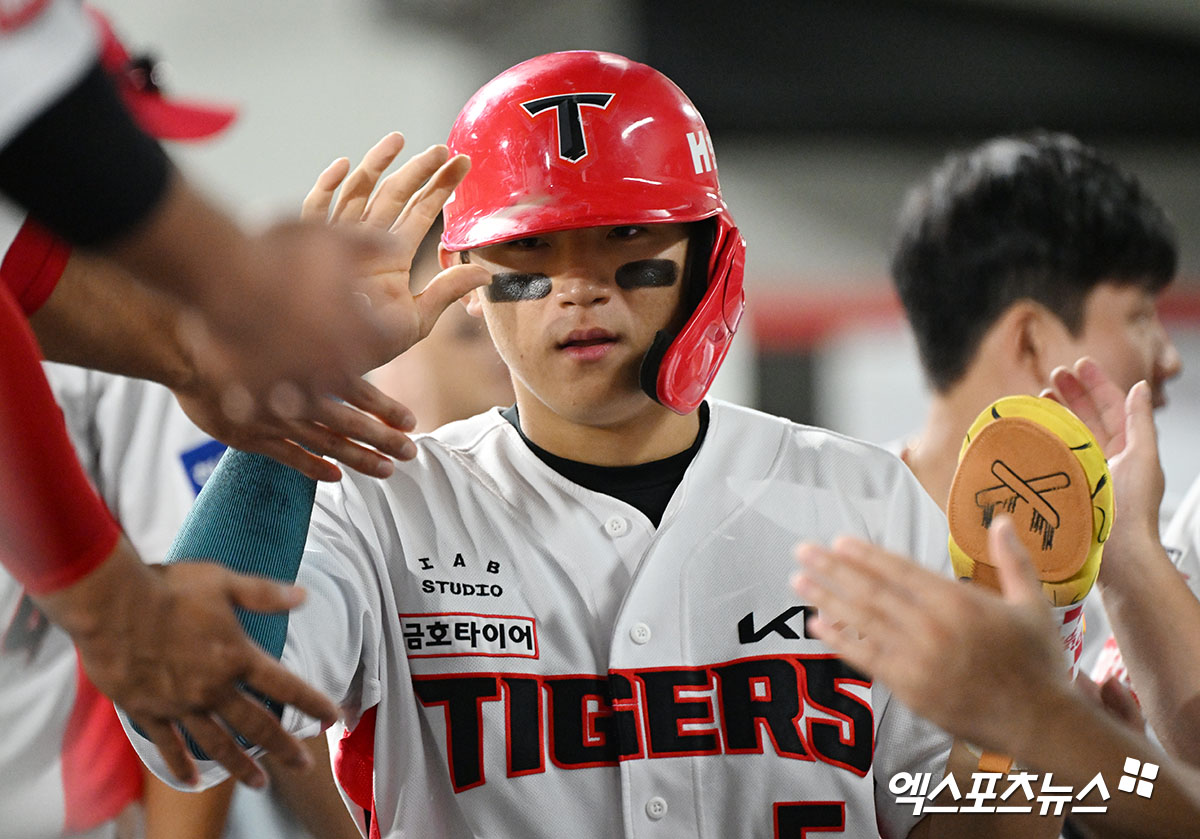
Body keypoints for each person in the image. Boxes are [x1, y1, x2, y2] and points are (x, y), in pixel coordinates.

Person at [132, 51, 1045, 839]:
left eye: (624, 240)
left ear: (703, 260)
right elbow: (195, 728)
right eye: (532, 249)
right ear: (470, 280)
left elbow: (932, 803)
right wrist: (294, 399)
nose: (578, 288)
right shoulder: (380, 501)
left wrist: (1048, 735)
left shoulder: (861, 494)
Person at [888, 130, 1185, 680]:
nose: (1170, 360)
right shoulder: (820, 554)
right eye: (1141, 317)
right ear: (1029, 342)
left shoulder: (1167, 571)